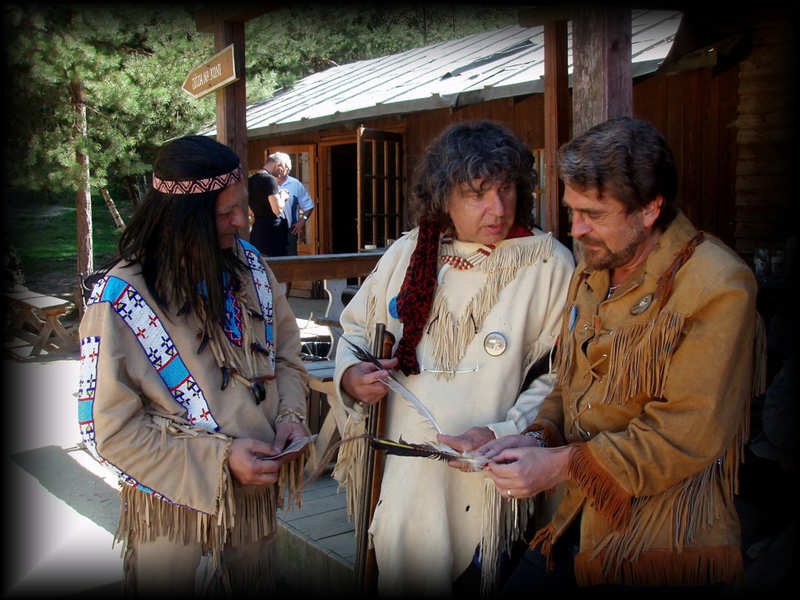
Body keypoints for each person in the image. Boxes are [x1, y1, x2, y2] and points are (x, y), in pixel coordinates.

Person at [479, 117, 764, 593]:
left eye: (594, 213)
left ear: (650, 209)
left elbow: (687, 433)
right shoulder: (594, 269)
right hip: (571, 522)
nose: (576, 229)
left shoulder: (718, 285)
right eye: (571, 211)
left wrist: (564, 464)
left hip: (657, 542)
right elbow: (569, 386)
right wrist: (534, 438)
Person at [330, 120, 575, 596]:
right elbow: (356, 330)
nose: (497, 209)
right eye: (477, 194)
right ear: (444, 196)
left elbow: (558, 375)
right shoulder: (409, 254)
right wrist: (350, 377)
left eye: (506, 190)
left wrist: (508, 433)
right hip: (403, 478)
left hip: (490, 479)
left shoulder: (547, 263)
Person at [77, 135, 311, 596]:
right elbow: (108, 431)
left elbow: (286, 356)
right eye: (225, 213)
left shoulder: (252, 267)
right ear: (183, 217)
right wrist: (220, 460)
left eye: (243, 206)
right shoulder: (120, 298)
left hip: (252, 509)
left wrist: (290, 417)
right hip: (174, 509)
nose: (242, 221)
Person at [266, 151, 314, 256]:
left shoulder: (295, 184)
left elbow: (309, 206)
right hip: (268, 231)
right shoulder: (266, 182)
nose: (278, 169)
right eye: (276, 166)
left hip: (289, 233)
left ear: (287, 169)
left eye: (281, 167)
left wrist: (302, 221)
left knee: (290, 263)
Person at [248, 156, 290, 256]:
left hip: (257, 229)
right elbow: (277, 209)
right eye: (284, 169)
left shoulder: (250, 180)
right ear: (278, 165)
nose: (282, 174)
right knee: (277, 266)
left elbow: (249, 211)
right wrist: (283, 196)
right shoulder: (269, 179)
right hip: (272, 232)